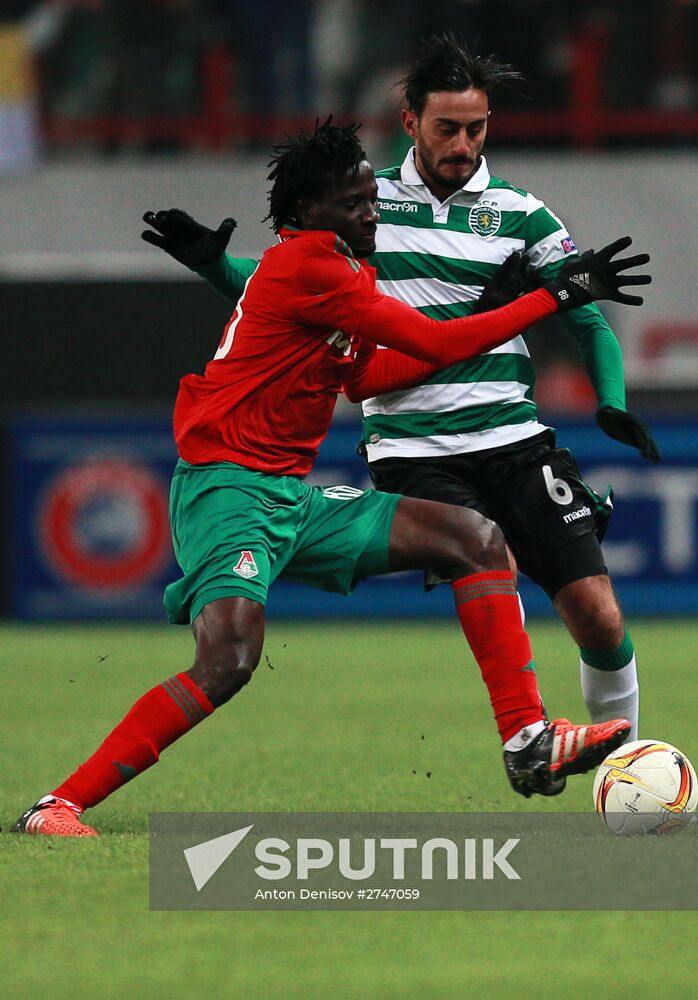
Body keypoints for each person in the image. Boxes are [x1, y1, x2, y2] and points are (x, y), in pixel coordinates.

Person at [12, 121, 651, 836]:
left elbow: (372, 375)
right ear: (306, 215)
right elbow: (433, 342)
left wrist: (492, 316)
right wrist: (552, 297)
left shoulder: (342, 271)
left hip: (288, 495)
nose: (370, 213)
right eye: (353, 204)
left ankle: (525, 737)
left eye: (372, 199)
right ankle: (58, 805)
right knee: (228, 659)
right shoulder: (310, 266)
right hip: (227, 489)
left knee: (475, 537)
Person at [160, 34, 658, 745]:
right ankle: (531, 738)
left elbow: (585, 316)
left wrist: (611, 399)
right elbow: (282, 288)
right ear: (410, 123)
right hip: (413, 443)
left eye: (477, 128)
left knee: (600, 617)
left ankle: (621, 770)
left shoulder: (523, 214)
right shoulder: (361, 202)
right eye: (447, 128)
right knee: (487, 559)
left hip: (512, 436)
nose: (463, 143)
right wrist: (215, 267)